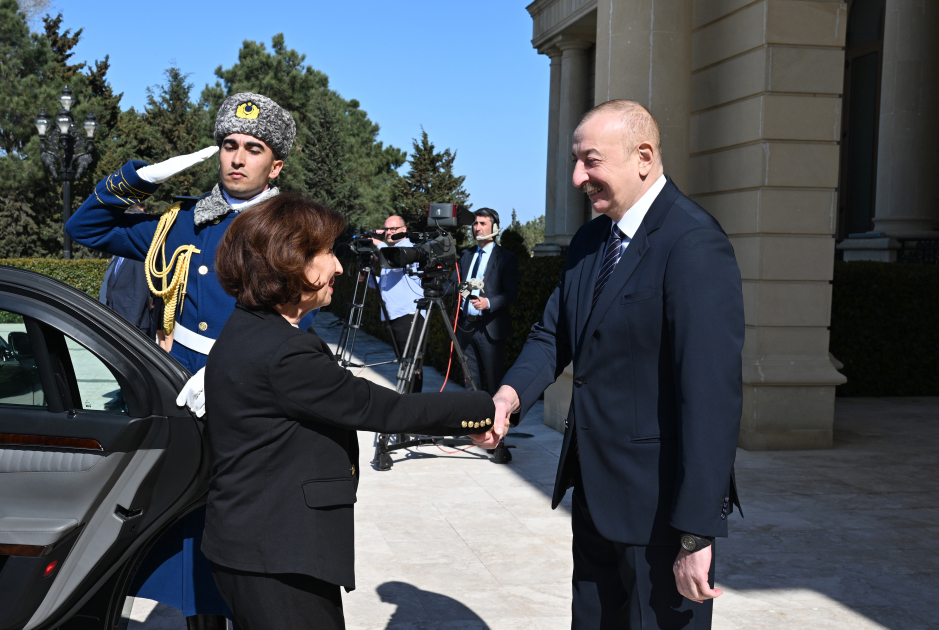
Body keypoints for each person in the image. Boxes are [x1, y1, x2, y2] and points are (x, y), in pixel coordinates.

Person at [477, 100, 744, 629]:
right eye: (576, 162)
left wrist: (696, 533)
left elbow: (710, 396)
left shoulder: (693, 242)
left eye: (591, 161)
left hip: (661, 513)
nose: (578, 177)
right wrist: (509, 396)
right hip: (595, 495)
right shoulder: (591, 239)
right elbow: (553, 334)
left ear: (643, 156)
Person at [204, 193, 501, 630]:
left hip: (262, 546)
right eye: (327, 253)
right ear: (289, 259)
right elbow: (382, 408)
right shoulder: (283, 352)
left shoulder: (255, 327)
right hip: (276, 557)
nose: (340, 267)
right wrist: (484, 407)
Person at [66, 92, 297, 626]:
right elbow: (84, 228)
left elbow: (300, 320)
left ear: (275, 165)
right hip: (181, 386)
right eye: (229, 145)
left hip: (255, 394)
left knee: (244, 525)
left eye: (254, 148)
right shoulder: (181, 223)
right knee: (186, 523)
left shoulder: (292, 229)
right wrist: (138, 179)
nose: (237, 158)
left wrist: (233, 367)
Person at [449, 208, 519, 461]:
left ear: (494, 227)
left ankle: (499, 439)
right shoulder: (466, 255)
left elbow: (511, 293)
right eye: (475, 224)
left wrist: (488, 303)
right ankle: (476, 433)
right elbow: (455, 283)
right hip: (466, 327)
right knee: (471, 384)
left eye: (482, 223)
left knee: (495, 385)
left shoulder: (506, 257)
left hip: (491, 329)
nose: (476, 227)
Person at [364, 215, 425, 391]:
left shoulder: (407, 250)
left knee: (411, 364)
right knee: (404, 364)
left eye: (393, 229)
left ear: (404, 230)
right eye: (387, 229)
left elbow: (396, 261)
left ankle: (414, 399)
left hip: (409, 314)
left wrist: (377, 243)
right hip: (395, 315)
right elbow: (385, 285)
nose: (389, 232)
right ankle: (408, 398)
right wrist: (367, 277)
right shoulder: (390, 253)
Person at [98, 208, 153, 339]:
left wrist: (133, 323)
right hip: (116, 316)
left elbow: (141, 290)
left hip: (132, 322)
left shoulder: (140, 253)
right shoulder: (120, 250)